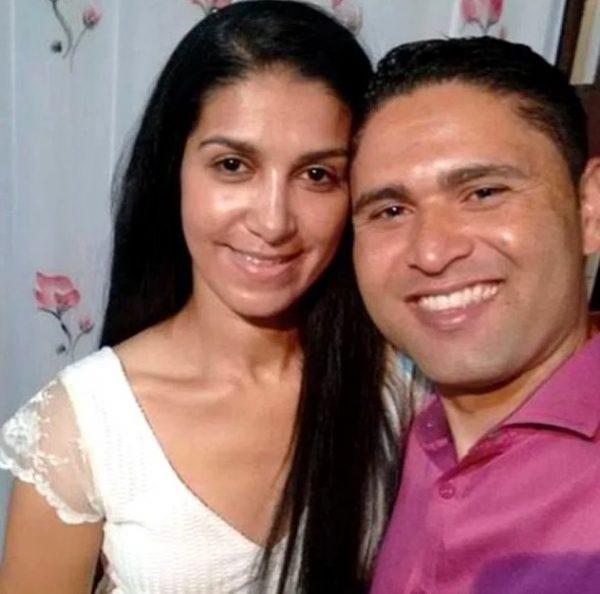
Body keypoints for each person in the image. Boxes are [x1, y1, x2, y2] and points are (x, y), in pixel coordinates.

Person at [0, 3, 405, 593]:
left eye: (317, 175)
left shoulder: (399, 384)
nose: (273, 222)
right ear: (174, 171)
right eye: (233, 165)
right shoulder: (81, 426)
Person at [350, 37, 600, 593]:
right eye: (390, 210)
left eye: (484, 193)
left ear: (589, 208)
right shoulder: (391, 430)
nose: (432, 252)